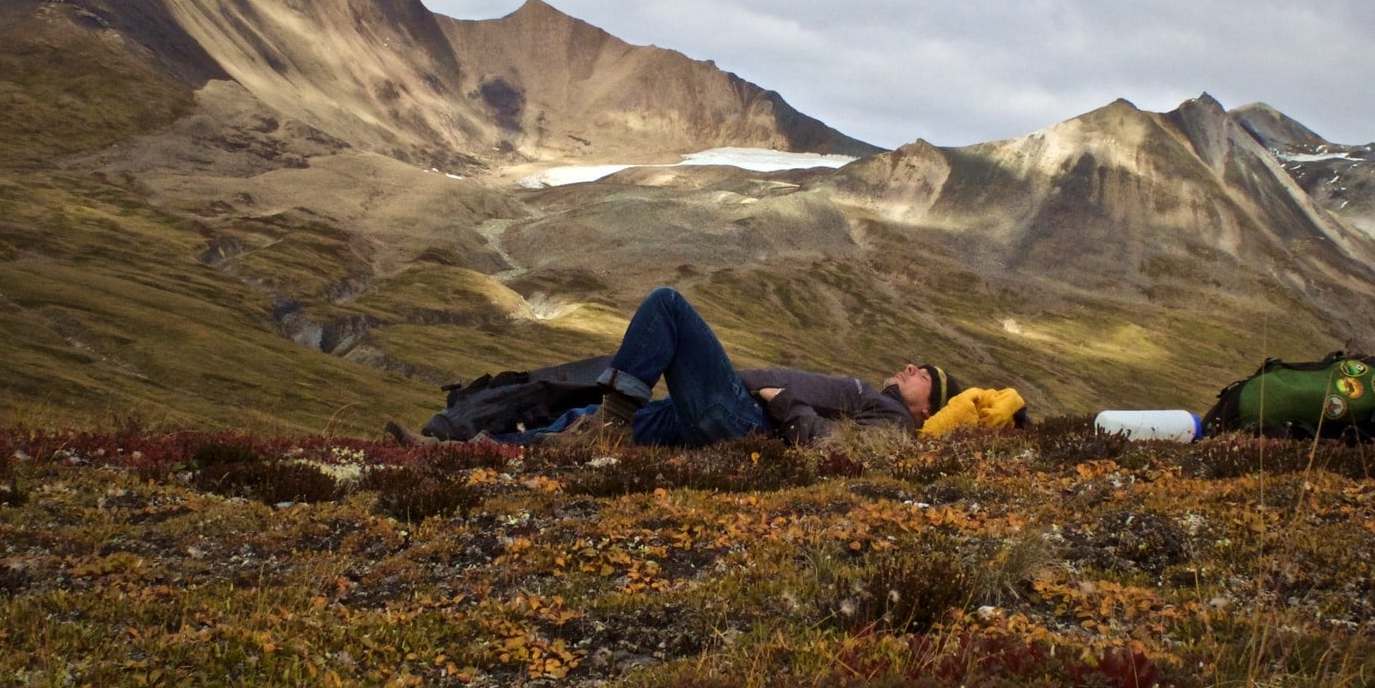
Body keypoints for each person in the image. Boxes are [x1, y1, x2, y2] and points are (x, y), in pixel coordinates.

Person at [391, 286, 961, 449]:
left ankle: (611, 426)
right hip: (719, 415)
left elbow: (829, 447)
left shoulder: (896, 426)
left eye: (922, 373)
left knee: (667, 305)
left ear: (928, 406)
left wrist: (781, 400)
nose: (909, 367)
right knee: (583, 421)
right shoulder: (880, 402)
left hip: (742, 420)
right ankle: (459, 453)